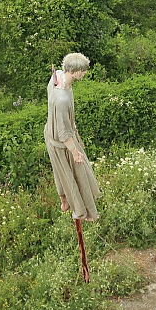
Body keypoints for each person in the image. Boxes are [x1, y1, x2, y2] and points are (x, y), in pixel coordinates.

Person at [44, 52, 101, 221]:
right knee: (76, 174)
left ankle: (64, 201)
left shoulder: (59, 77)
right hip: (62, 142)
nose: (84, 73)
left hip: (53, 136)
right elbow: (63, 133)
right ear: (75, 71)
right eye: (82, 70)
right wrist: (75, 152)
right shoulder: (61, 99)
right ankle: (84, 211)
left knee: (61, 172)